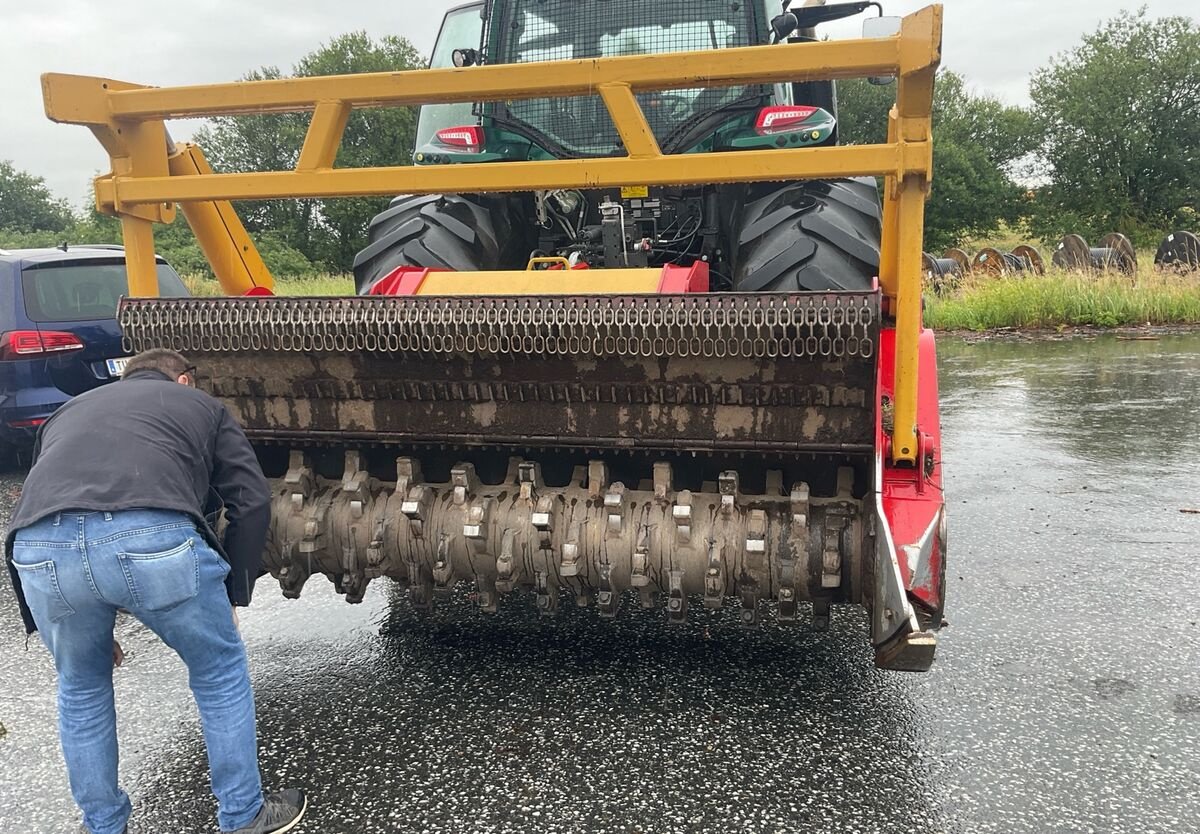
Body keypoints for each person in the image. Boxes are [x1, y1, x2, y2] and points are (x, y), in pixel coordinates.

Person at [5, 349, 306, 834]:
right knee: (218, 671)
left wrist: (86, 623)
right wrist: (235, 591)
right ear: (183, 379)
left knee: (81, 686)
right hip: (150, 537)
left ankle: (103, 826)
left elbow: (58, 500)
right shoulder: (203, 406)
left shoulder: (69, 410)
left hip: (39, 548)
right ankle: (243, 814)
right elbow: (250, 499)